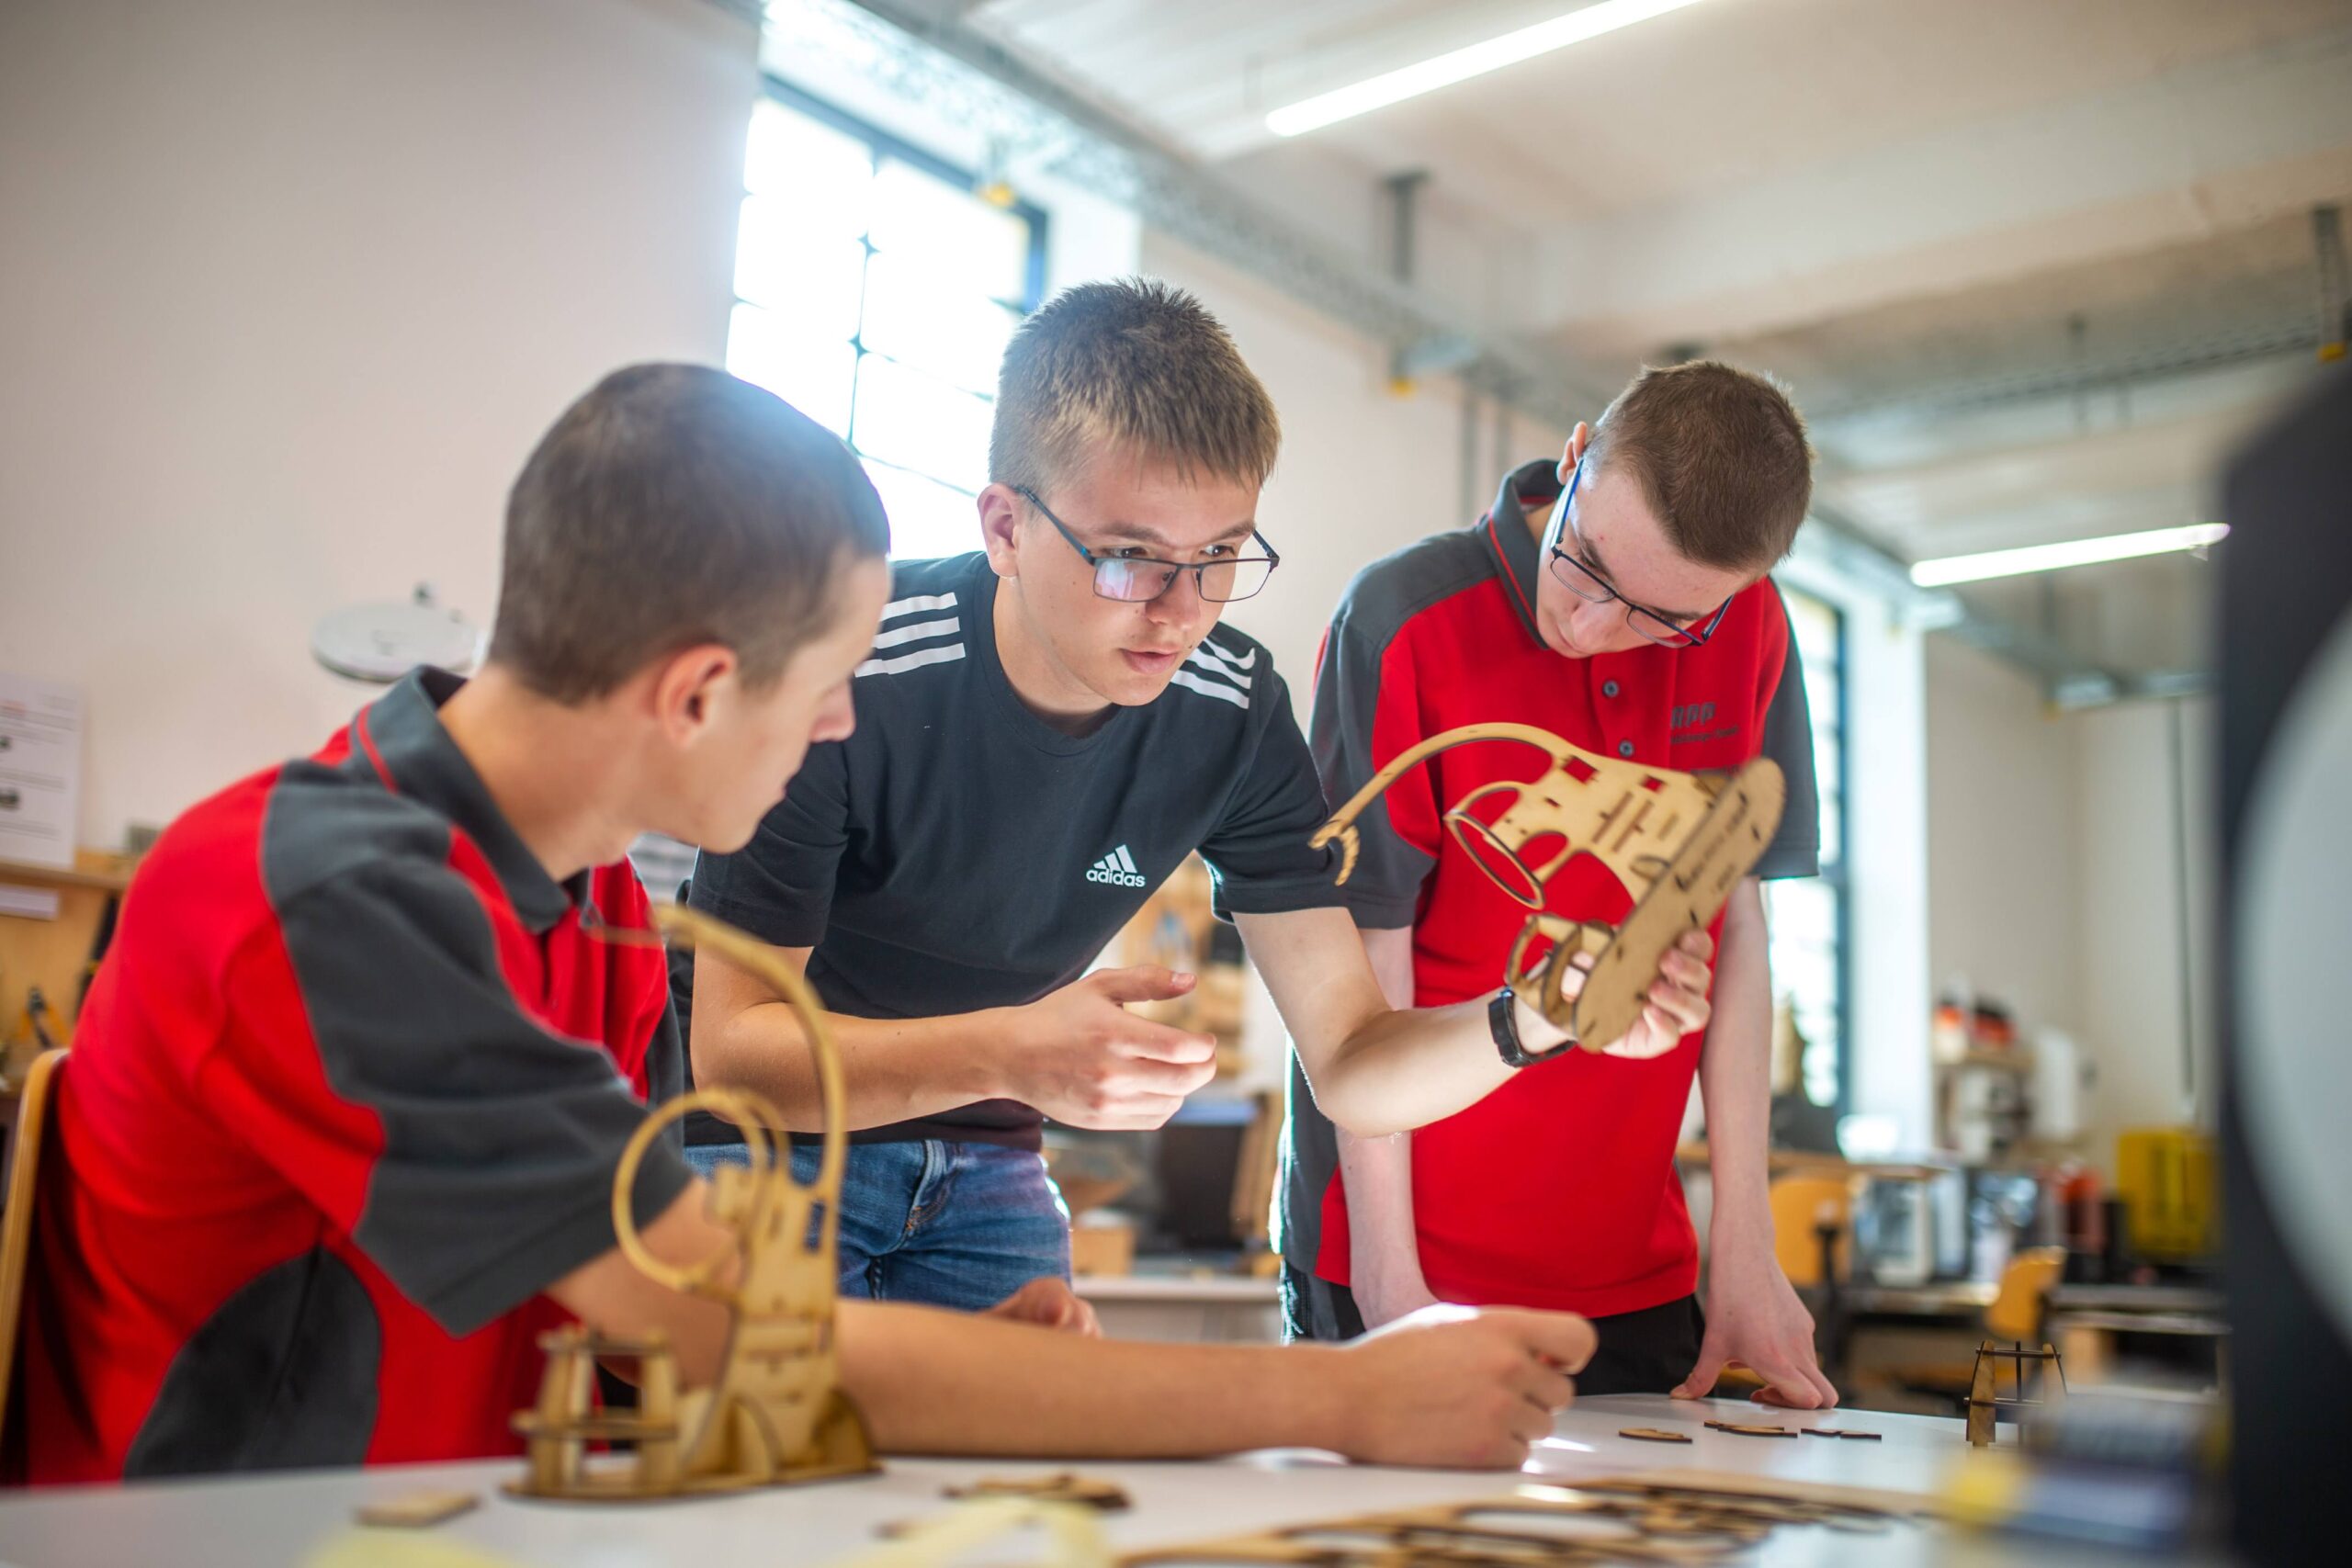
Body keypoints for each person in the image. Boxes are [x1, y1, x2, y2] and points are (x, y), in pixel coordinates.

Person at [18, 365, 1599, 1485]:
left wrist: (1013, 1357)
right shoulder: (330, 895)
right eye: (829, 676)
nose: (846, 719)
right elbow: (716, 1327)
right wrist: (1334, 1400)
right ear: (701, 691)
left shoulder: (588, 913)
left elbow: (610, 1331)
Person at [679, 281, 1717, 1309]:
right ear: (1004, 527)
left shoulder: (1230, 707)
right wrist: (1009, 1048)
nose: (1180, 616)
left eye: (1220, 558)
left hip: (986, 1160)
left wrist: (1534, 1017)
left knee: (1013, 1472)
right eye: (1131, 559)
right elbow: (732, 1056)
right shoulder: (850, 664)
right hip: (760, 1148)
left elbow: (1354, 1063)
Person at [1282, 361, 1840, 1410]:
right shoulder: (1404, 620)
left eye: (1660, 619)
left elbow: (1736, 942)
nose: (1587, 628)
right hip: (1404, 1253)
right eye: (1583, 564)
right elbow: (1364, 980)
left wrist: (1746, 1247)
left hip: (1631, 1269)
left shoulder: (1753, 630)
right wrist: (1392, 1291)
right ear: (1573, 458)